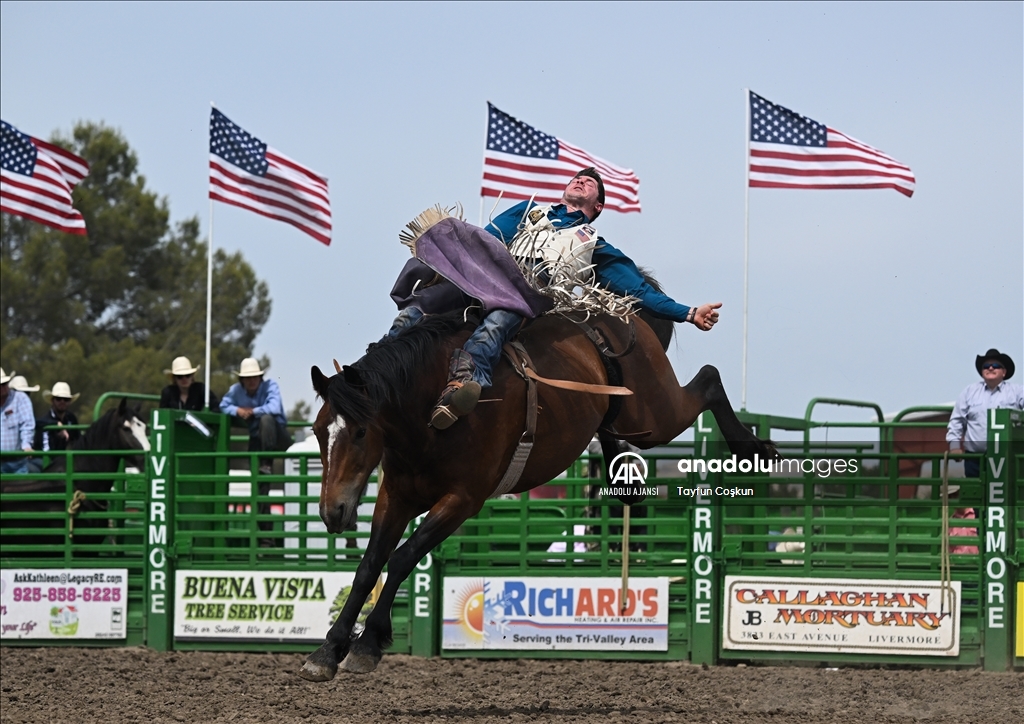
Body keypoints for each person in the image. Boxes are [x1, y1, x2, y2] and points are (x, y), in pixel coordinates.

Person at [395, 168, 722, 429]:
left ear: (597, 207)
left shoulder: (594, 245)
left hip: (528, 293)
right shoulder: (527, 211)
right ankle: (390, 355)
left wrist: (688, 313)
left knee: (497, 323)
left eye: (591, 183)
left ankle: (463, 384)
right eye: (578, 178)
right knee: (421, 303)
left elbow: (638, 290)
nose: (581, 180)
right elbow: (487, 238)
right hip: (484, 277)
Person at [946, 348, 1024, 477]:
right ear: (982, 371)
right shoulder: (969, 392)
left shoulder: (1017, 391)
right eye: (986, 366)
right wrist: (954, 447)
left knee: (1007, 496)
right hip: (975, 459)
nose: (991, 368)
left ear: (1004, 372)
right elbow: (957, 420)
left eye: (996, 366)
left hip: (1007, 457)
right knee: (975, 494)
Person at [219, 358, 291, 474]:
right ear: (242, 380)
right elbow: (223, 406)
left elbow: (274, 408)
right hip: (256, 438)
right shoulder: (236, 390)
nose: (252, 380)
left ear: (260, 377)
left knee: (266, 419)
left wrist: (253, 411)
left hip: (278, 436)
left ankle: (266, 462)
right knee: (258, 474)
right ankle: (264, 470)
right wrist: (238, 410)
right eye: (248, 378)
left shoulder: (271, 386)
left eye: (254, 377)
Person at [0, 368, 36, 474]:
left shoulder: (20, 399)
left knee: (20, 488)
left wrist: (26, 445)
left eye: (4, 383)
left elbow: (27, 425)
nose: (3, 387)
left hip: (17, 462)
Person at [34, 381, 82, 454]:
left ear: (69, 402)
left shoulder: (71, 418)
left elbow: (78, 440)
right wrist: (56, 424)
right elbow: (46, 452)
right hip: (44, 461)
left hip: (63, 461)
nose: (62, 401)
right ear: (52, 401)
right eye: (58, 398)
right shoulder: (45, 421)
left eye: (66, 399)